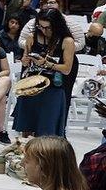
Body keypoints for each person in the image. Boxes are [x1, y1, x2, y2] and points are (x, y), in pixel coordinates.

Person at [13, 9, 76, 137]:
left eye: (47, 28)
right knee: (26, 127)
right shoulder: (32, 37)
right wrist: (25, 61)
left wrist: (46, 64)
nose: (44, 30)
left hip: (53, 87)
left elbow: (67, 69)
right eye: (40, 26)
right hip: (31, 86)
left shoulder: (67, 41)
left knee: (47, 130)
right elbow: (25, 62)